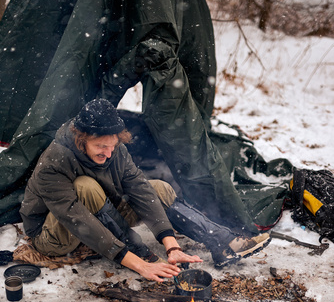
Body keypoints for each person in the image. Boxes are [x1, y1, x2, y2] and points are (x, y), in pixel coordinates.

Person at [20, 99, 270, 282]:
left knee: (157, 188)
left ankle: (222, 242)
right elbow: (76, 218)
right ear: (81, 139)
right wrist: (138, 261)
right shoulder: (55, 161)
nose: (108, 153)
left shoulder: (114, 149)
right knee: (85, 187)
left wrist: (170, 244)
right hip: (53, 234)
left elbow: (139, 189)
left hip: (101, 211)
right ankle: (137, 250)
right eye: (100, 146)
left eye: (112, 145)